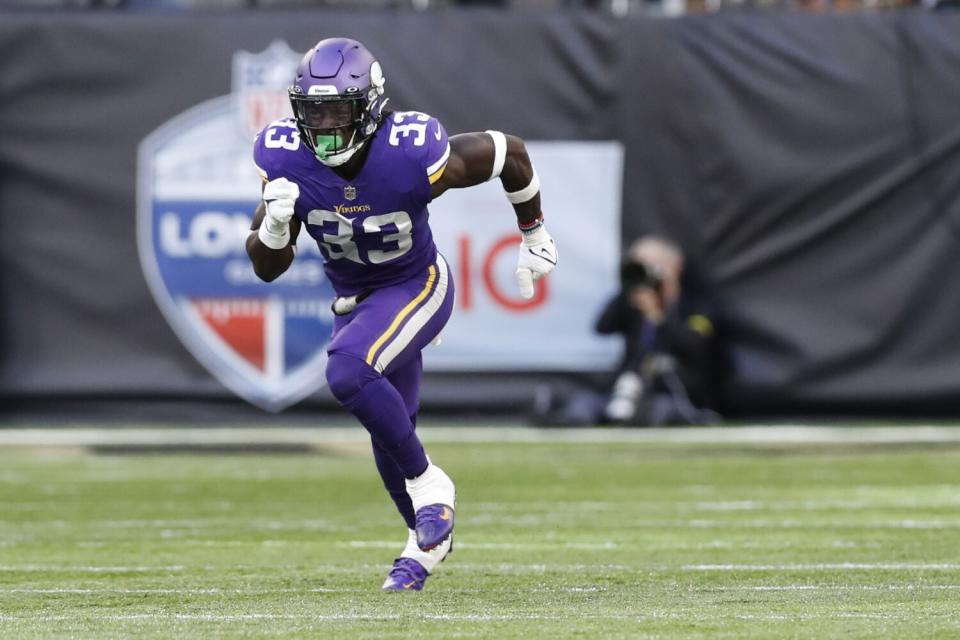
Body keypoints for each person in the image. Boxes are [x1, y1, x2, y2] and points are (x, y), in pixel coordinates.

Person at [245, 37, 557, 591]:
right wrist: (271, 228)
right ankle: (424, 547)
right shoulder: (283, 158)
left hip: (416, 283)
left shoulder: (410, 151)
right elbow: (267, 268)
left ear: (369, 106)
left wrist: (533, 232)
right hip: (357, 300)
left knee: (347, 369)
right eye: (313, 113)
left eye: (338, 110)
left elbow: (509, 152)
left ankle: (432, 487)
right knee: (391, 431)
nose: (326, 127)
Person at [595, 236, 720, 426]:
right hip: (633, 383)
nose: (644, 272)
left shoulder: (697, 304)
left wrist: (658, 318)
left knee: (662, 410)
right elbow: (602, 326)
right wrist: (628, 290)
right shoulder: (634, 303)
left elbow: (694, 346)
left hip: (677, 387)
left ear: (674, 266)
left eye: (649, 266)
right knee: (592, 404)